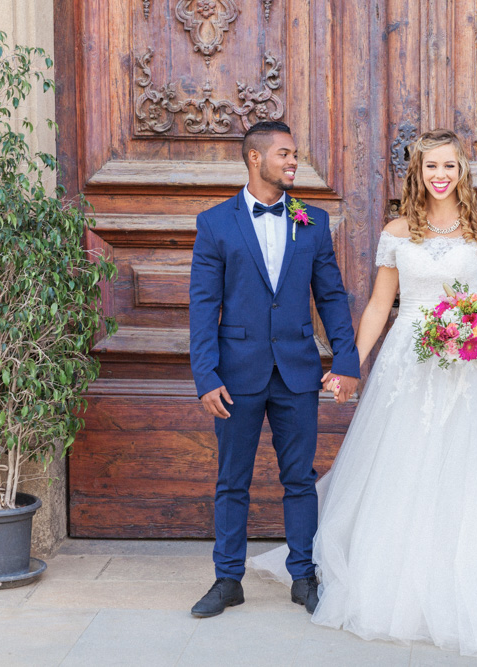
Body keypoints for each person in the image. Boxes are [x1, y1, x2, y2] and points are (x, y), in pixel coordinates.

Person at [250, 129, 477, 656]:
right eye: (431, 168)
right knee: (405, 463)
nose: (440, 176)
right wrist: (349, 361)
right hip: (410, 361)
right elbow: (382, 305)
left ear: (461, 171)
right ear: (417, 173)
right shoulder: (399, 231)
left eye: (449, 166)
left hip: (472, 364)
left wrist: (475, 335)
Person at [188, 120, 360, 618]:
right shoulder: (215, 223)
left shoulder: (313, 221)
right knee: (231, 480)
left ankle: (303, 576)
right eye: (284, 154)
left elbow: (330, 296)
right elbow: (203, 306)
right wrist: (206, 375)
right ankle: (227, 581)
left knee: (299, 478)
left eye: (295, 154)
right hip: (235, 375)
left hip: (296, 372)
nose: (293, 162)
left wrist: (345, 361)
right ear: (254, 158)